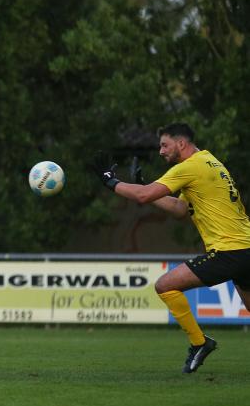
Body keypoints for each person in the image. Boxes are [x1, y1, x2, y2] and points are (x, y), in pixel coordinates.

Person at [95, 122, 250, 373]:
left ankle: (200, 343)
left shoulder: (189, 167)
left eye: (164, 145)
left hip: (228, 251)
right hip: (245, 248)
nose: (160, 151)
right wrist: (149, 189)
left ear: (181, 143)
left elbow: (143, 196)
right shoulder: (210, 162)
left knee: (164, 286)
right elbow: (179, 210)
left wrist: (111, 182)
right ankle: (200, 343)